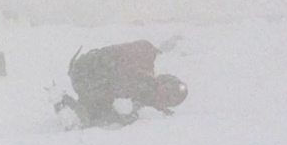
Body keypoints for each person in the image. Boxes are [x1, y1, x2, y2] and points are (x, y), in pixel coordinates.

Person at [54, 40, 187, 128]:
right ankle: (79, 111)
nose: (165, 101)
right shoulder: (146, 82)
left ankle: (72, 107)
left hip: (86, 74)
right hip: (90, 73)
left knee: (107, 114)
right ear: (163, 83)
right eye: (168, 95)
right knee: (120, 116)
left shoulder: (145, 81)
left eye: (170, 102)